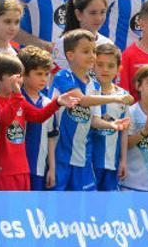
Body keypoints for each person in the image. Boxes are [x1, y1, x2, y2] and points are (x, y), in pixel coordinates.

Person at [51, 30, 131, 191]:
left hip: (83, 159)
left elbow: (94, 120)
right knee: (57, 207)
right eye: (86, 51)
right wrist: (115, 98)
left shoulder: (94, 85)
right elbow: (83, 100)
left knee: (86, 208)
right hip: (60, 156)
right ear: (70, 55)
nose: (92, 55)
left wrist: (113, 125)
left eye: (93, 51)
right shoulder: (64, 76)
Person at [0, 54, 75, 191]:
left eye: (19, 75)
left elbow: (38, 116)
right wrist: (17, 96)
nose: (18, 80)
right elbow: (5, 120)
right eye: (13, 75)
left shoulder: (18, 99)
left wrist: (56, 103)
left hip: (22, 168)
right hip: (2, 169)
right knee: (4, 211)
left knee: (23, 210)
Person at [91, 43, 133, 192]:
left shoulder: (123, 96)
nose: (105, 70)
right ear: (93, 65)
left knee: (107, 205)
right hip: (90, 162)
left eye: (110, 66)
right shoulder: (89, 92)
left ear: (118, 68)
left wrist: (123, 160)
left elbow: (124, 131)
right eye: (100, 64)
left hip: (112, 162)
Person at [17, 47, 58, 191]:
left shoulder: (48, 103)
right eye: (39, 74)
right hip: (17, 169)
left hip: (39, 169)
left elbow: (51, 137)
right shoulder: (16, 99)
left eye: (46, 74)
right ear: (24, 74)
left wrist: (52, 168)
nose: (44, 79)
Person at [52, 0, 113, 71]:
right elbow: (57, 80)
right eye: (93, 13)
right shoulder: (63, 43)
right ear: (78, 14)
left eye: (102, 12)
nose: (99, 18)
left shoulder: (108, 44)